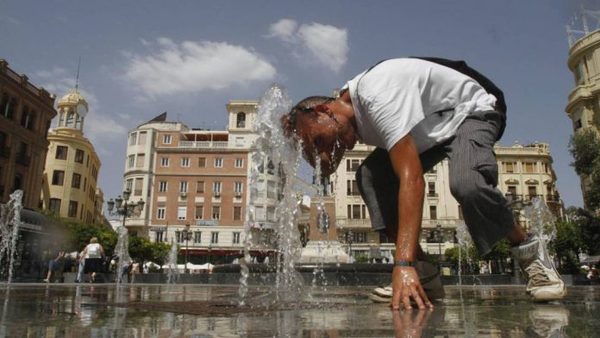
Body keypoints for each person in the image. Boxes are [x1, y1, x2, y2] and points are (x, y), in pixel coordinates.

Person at [281, 57, 566, 310]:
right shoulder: (345, 117)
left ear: (322, 109)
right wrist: (300, 138)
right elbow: (327, 164)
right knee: (370, 176)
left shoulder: (376, 95)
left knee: (467, 184)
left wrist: (401, 265)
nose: (321, 152)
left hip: (471, 111)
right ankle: (425, 275)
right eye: (313, 151)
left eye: (318, 141)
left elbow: (412, 179)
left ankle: (531, 255)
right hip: (432, 130)